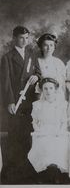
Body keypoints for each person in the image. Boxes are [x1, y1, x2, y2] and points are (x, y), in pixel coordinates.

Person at [0, 26, 41, 183]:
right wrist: (10, 101)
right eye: (21, 38)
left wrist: (36, 77)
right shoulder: (7, 58)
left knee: (28, 136)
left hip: (30, 102)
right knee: (15, 137)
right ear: (14, 38)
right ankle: (13, 174)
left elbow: (38, 73)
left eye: (26, 37)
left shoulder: (32, 55)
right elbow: (5, 83)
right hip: (15, 103)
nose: (24, 41)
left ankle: (28, 172)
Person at [28, 78, 68, 184]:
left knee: (57, 145)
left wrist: (59, 132)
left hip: (57, 131)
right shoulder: (37, 105)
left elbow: (64, 122)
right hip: (42, 130)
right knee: (43, 144)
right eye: (45, 88)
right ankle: (44, 173)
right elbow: (34, 122)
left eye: (51, 88)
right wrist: (39, 131)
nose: (48, 91)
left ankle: (56, 173)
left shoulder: (62, 104)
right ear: (42, 90)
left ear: (55, 90)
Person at [36, 33, 66, 100]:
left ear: (54, 46)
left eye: (51, 45)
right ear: (41, 47)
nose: (49, 48)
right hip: (42, 96)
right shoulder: (37, 62)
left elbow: (63, 84)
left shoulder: (59, 63)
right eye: (46, 45)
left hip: (57, 95)